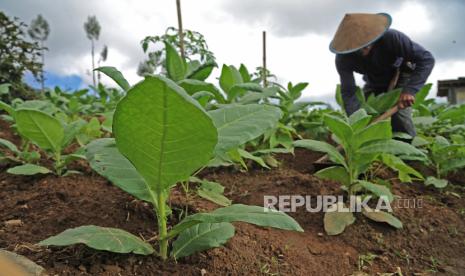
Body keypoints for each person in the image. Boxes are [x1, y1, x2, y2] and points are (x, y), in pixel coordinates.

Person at [329, 13, 435, 138]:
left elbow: (426, 59)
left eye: (367, 44)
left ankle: (409, 153)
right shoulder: (343, 58)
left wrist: (409, 90)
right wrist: (357, 121)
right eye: (359, 48)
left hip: (400, 74)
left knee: (399, 116)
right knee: (366, 112)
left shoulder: (393, 38)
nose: (364, 50)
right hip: (373, 79)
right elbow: (348, 91)